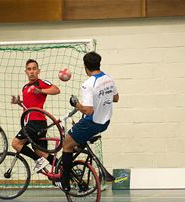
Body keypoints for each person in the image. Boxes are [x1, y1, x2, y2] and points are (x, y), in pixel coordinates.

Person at [59, 52, 119, 191]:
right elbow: (116, 98)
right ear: (99, 64)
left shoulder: (88, 84)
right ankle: (79, 145)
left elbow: (88, 111)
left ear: (86, 67)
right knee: (76, 137)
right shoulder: (108, 79)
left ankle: (64, 181)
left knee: (66, 144)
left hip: (91, 123)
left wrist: (76, 103)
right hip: (105, 123)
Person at [11, 59, 60, 173]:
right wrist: (20, 103)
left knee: (16, 143)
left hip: (36, 122)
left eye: (34, 69)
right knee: (41, 152)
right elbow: (29, 106)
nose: (32, 71)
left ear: (38, 71)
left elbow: (56, 90)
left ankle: (38, 161)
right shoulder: (25, 87)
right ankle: (63, 168)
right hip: (32, 122)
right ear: (26, 72)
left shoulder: (40, 83)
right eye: (29, 69)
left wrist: (42, 91)